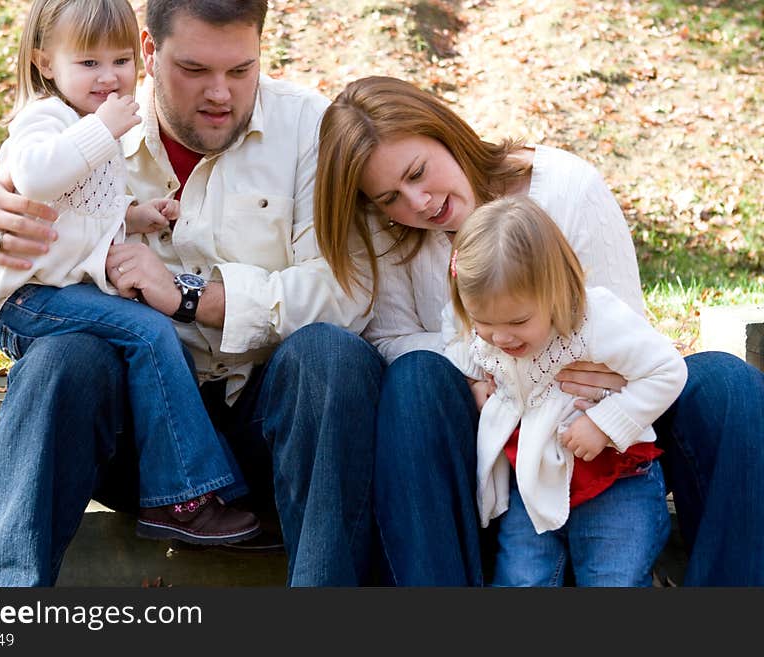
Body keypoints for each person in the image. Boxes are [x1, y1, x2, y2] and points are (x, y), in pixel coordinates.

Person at [0, 0, 382, 586]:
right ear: (149, 51)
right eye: (194, 70)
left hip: (271, 422)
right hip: (133, 441)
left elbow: (348, 291)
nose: (220, 94)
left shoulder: (308, 128)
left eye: (241, 70)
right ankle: (1, 611)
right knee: (64, 357)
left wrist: (191, 296)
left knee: (333, 354)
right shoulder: (84, 118)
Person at [314, 75, 764, 586]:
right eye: (390, 197)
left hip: (597, 424)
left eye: (418, 172)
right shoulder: (390, 232)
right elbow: (392, 339)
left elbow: (623, 342)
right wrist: (481, 363)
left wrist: (548, 373)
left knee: (730, 383)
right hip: (492, 438)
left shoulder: (567, 187)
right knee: (418, 376)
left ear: (444, 132)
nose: (417, 203)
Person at [0, 0, 262, 547]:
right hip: (28, 296)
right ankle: (184, 497)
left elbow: (83, 211)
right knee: (151, 330)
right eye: (88, 63)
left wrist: (137, 216)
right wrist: (100, 131)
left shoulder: (83, 124)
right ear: (46, 63)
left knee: (153, 337)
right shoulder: (45, 118)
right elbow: (35, 176)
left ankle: (191, 486)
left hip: (54, 290)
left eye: (119, 61)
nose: (110, 76)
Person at [444, 195, 687, 586]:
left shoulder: (595, 321)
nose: (500, 337)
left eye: (518, 321)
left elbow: (667, 370)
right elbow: (458, 342)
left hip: (614, 481)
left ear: (556, 290)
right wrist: (475, 380)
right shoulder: (489, 334)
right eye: (483, 321)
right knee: (521, 579)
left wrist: (605, 423)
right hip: (533, 480)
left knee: (614, 579)